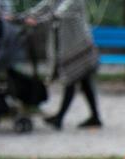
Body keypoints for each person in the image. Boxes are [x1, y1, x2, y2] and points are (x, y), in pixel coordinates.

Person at [20, 0, 99, 129]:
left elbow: (59, 13)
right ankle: (95, 117)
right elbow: (46, 6)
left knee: (71, 80)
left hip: (79, 46)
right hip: (72, 46)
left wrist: (37, 19)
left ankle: (60, 118)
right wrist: (27, 15)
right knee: (84, 82)